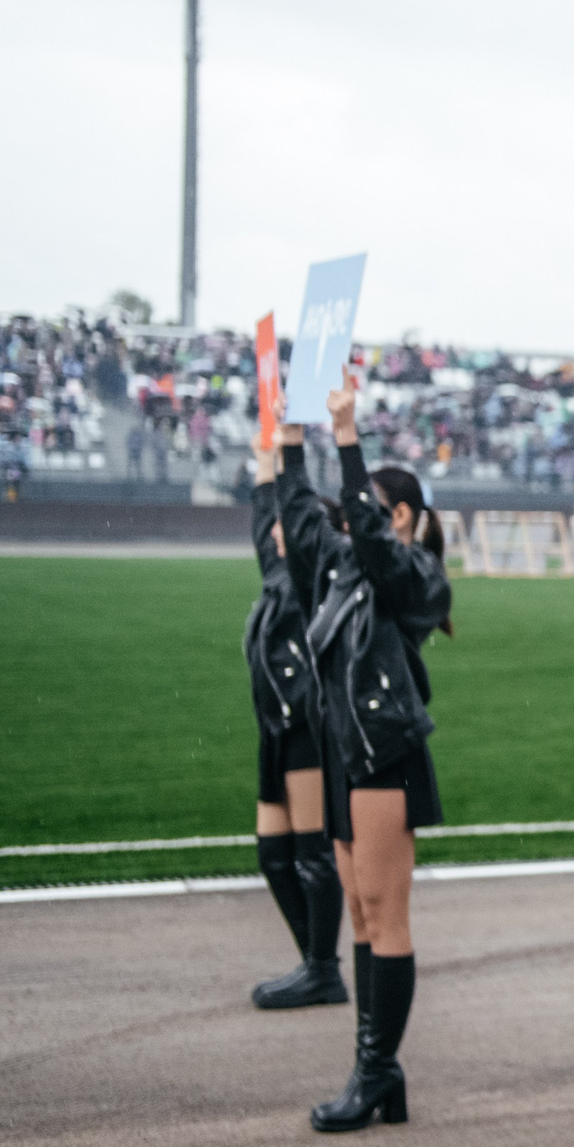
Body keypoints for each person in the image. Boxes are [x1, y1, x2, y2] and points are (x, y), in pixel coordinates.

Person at [281, 374, 453, 1135]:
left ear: (403, 516)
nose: (354, 526)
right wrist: (290, 446)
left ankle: (377, 1068)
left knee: (384, 912)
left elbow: (374, 542)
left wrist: (347, 439)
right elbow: (303, 528)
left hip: (387, 755)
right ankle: (373, 1067)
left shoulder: (411, 574)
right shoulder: (347, 570)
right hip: (350, 753)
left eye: (372, 515)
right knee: (359, 909)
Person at [242, 424, 346, 1010]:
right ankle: (313, 958)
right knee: (273, 855)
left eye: (288, 521)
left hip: (306, 726)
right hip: (274, 730)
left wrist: (288, 453)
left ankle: (323, 966)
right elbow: (265, 514)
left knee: (311, 854)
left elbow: (290, 514)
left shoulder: (311, 578)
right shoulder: (276, 572)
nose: (276, 528)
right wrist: (266, 451)